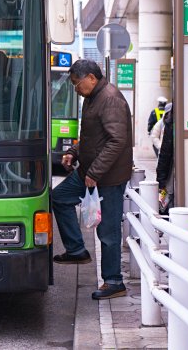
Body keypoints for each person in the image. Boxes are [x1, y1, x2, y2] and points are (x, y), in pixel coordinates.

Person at [51, 59, 133, 300]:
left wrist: (94, 173)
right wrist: (73, 152)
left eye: (77, 84)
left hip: (107, 176)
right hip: (89, 171)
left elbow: (116, 141)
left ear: (91, 78)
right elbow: (90, 136)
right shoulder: (92, 98)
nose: (76, 89)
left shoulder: (110, 99)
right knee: (60, 197)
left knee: (107, 231)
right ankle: (76, 249)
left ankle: (114, 281)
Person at [155, 102, 174, 214]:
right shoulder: (165, 122)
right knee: (168, 194)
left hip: (169, 169)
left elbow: (165, 152)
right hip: (170, 170)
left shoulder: (170, 122)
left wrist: (161, 180)